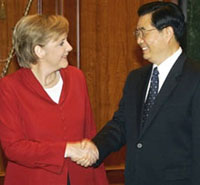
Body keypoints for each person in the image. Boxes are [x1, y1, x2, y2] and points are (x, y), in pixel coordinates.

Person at [78, 1, 200, 185]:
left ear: (167, 33)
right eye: (137, 33)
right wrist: (96, 146)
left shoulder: (195, 78)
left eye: (144, 32)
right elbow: (121, 124)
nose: (138, 40)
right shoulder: (136, 79)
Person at [0, 14, 108, 185]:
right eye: (61, 43)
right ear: (39, 51)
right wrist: (66, 149)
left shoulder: (76, 77)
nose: (70, 47)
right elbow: (14, 148)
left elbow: (89, 133)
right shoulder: (9, 87)